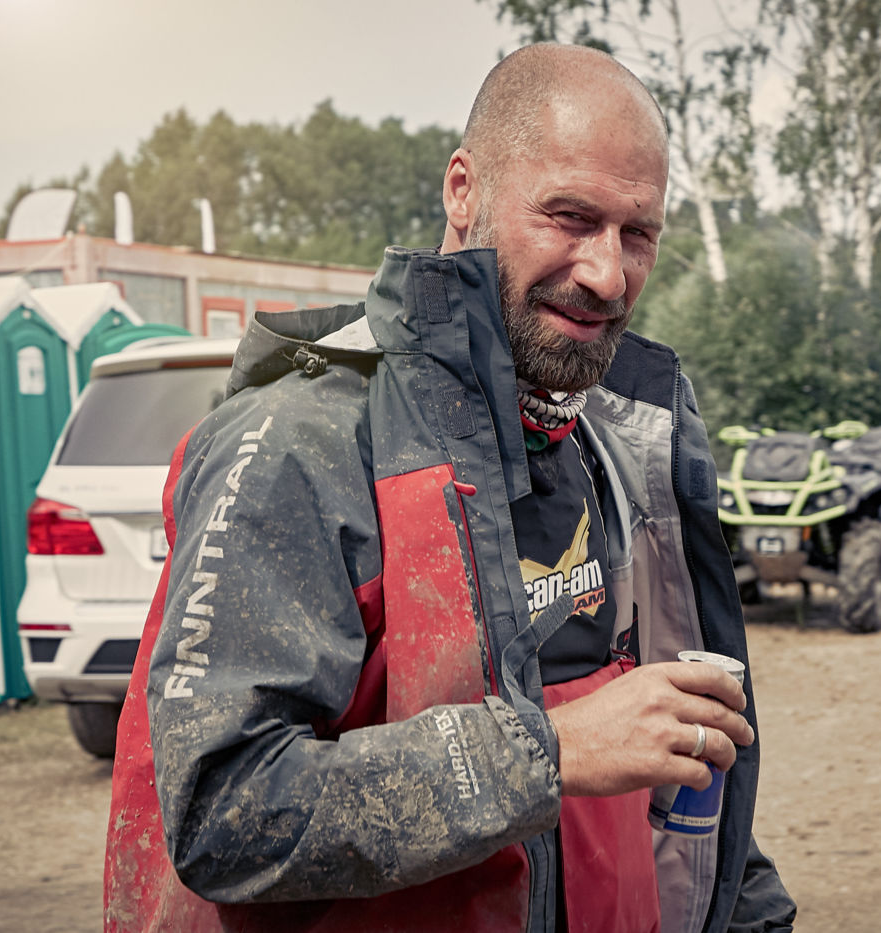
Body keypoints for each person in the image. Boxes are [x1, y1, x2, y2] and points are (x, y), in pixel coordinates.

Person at [103, 44, 796, 933]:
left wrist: (749, 908)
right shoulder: (302, 441)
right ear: (463, 190)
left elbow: (653, 756)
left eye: (639, 234)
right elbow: (223, 813)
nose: (607, 273)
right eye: (571, 217)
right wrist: (547, 752)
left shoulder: (608, 439)